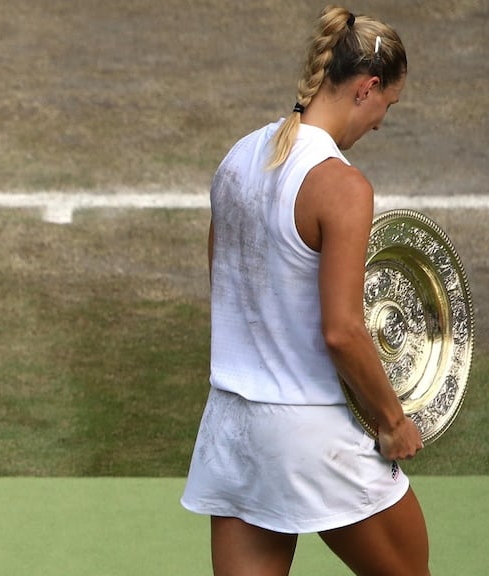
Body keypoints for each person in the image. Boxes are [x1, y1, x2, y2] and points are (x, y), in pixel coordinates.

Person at [180, 6, 430, 576]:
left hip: (234, 430)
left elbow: (225, 278)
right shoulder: (341, 185)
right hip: (309, 436)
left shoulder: (238, 158)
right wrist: (392, 422)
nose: (381, 122)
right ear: (367, 88)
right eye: (387, 106)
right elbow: (342, 330)